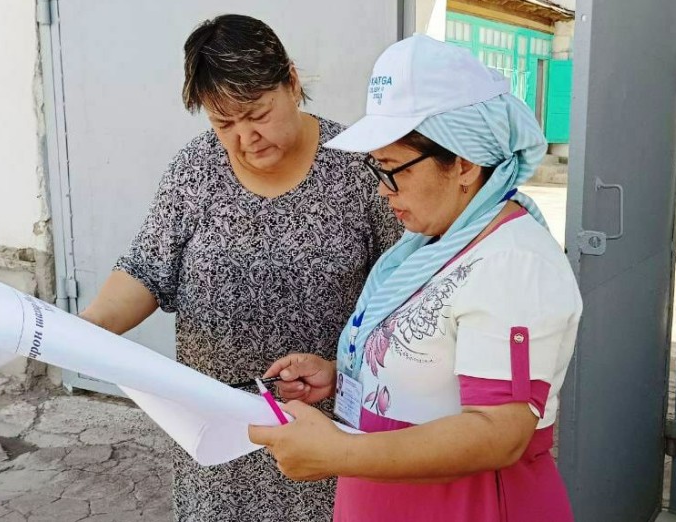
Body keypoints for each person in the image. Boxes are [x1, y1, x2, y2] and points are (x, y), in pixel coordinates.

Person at [79, 14, 401, 522]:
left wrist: (348, 373)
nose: (244, 137)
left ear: (291, 81)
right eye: (222, 122)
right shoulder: (196, 168)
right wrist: (87, 330)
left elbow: (408, 290)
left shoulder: (358, 167)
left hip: (326, 434)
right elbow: (146, 268)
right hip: (216, 436)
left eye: (257, 113)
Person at [249, 34, 583, 521]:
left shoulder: (512, 263)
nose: (382, 190)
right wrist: (342, 375)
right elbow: (435, 363)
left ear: (464, 161)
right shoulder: (431, 246)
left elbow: (499, 431)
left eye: (391, 169)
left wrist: (338, 452)